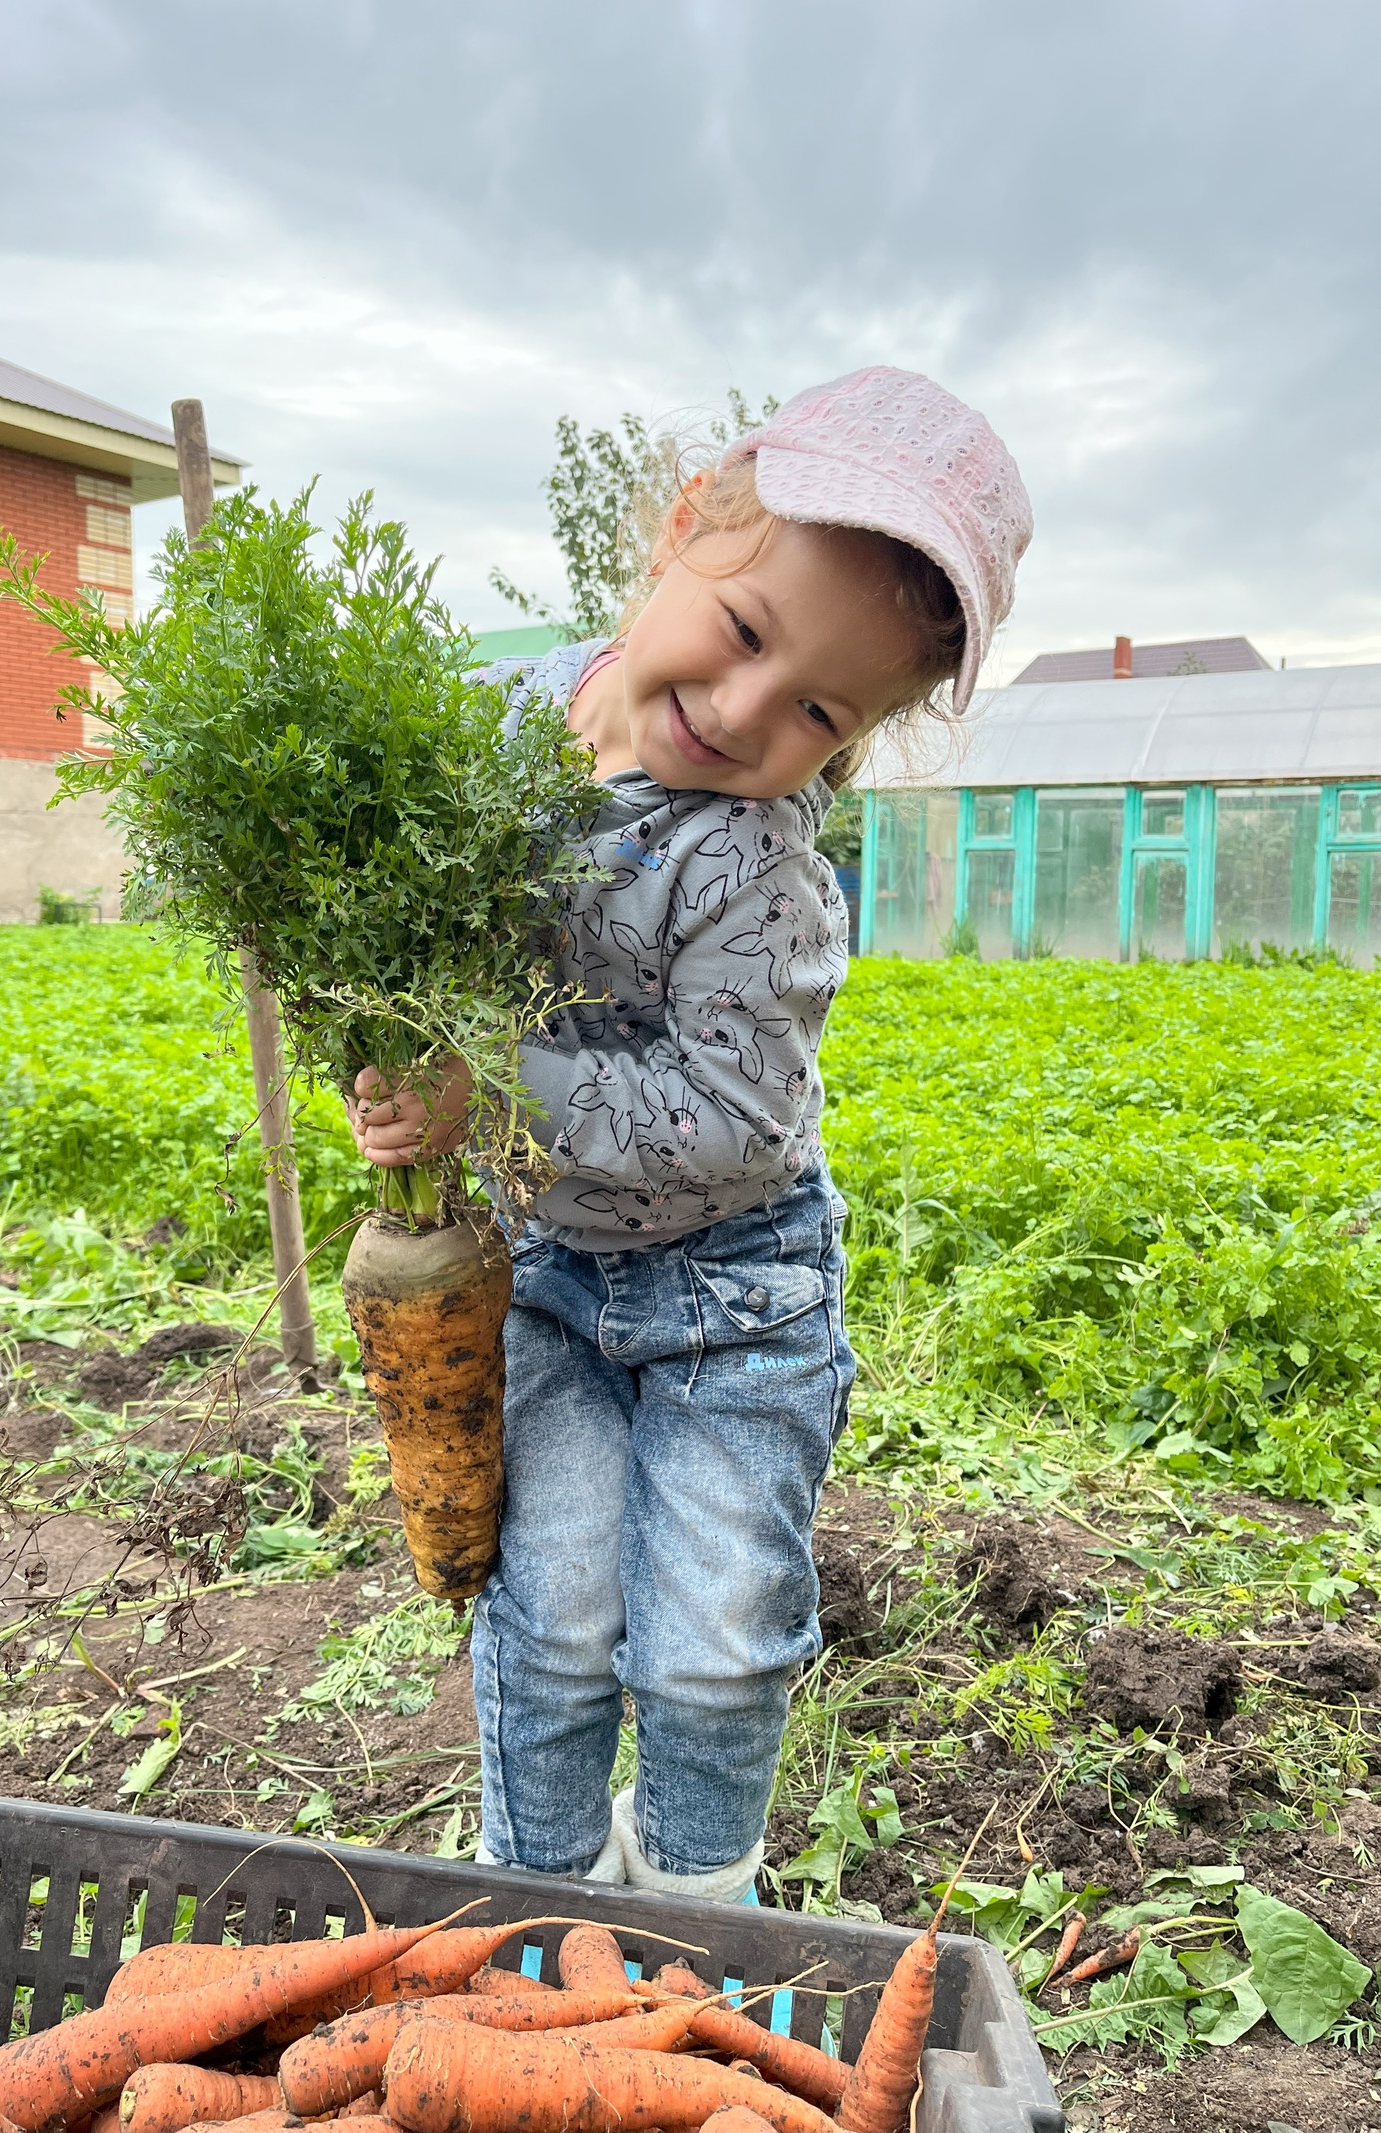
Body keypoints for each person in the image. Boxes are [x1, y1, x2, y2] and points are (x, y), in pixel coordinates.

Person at [347, 367, 1032, 1900]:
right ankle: (533, 1911)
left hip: (736, 1297)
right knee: (551, 1612)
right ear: (683, 532)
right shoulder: (495, 734)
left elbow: (729, 1118)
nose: (741, 713)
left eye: (817, 711)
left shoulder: (756, 873)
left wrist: (496, 1087)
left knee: (715, 1642)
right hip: (546, 1278)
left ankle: (695, 1934)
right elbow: (405, 960)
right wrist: (393, 1074)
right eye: (742, 634)